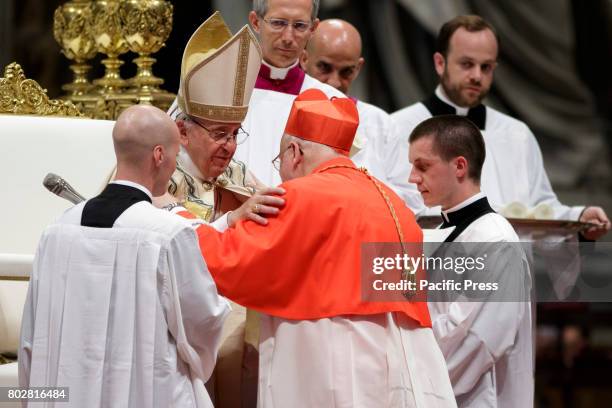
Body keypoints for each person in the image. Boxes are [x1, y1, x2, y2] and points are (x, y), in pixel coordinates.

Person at [175, 88, 457, 407]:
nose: (281, 171)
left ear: (294, 152)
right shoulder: (394, 203)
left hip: (329, 366)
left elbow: (228, 259)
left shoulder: (301, 196)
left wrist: (176, 216)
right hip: (399, 373)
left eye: (279, 160)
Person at [19, 105, 230, 408]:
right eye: (174, 157)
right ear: (159, 155)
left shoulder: (57, 231)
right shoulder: (168, 234)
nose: (174, 166)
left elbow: (32, 336)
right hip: (148, 392)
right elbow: (203, 323)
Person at [388, 14, 610, 242]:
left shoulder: (517, 134)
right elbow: (386, 212)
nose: (477, 76)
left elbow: (538, 210)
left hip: (506, 270)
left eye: (486, 67)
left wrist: (579, 219)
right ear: (440, 63)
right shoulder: (395, 128)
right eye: (467, 64)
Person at [165, 12, 277, 408]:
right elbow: (159, 240)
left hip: (233, 297)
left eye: (234, 134)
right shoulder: (158, 171)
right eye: (217, 134)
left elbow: (272, 205)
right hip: (174, 310)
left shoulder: (236, 170)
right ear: (182, 130)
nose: (229, 146)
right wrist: (232, 220)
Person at [408, 115, 533, 407]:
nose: (412, 178)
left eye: (422, 166)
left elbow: (476, 342)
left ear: (460, 166)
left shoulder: (495, 241)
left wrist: (414, 383)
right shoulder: (439, 232)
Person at [237, 0, 376, 186]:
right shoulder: (223, 88)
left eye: (300, 26)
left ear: (313, 28)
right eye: (278, 23)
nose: (288, 37)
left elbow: (347, 180)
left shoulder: (333, 103)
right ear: (255, 22)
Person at [300, 18, 400, 198]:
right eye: (324, 67)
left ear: (358, 67)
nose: (334, 82)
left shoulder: (381, 124)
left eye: (346, 71)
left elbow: (409, 196)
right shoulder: (282, 113)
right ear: (304, 59)